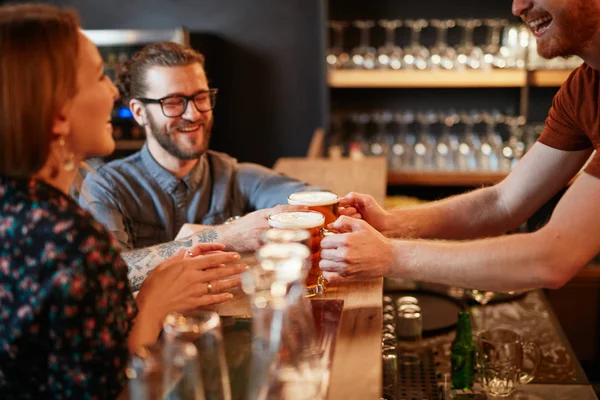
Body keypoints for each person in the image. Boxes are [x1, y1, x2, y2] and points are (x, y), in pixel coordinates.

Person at [0, 4, 246, 398]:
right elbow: (109, 389)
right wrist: (151, 306)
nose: (114, 89)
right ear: (60, 112)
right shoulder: (70, 240)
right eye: (99, 76)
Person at [320, 0, 600, 293]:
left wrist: (390, 255)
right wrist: (391, 224)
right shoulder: (585, 87)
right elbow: (502, 203)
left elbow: (552, 259)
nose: (518, 7)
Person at [79, 41, 319, 290]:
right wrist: (224, 235)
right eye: (173, 102)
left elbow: (312, 202)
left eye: (201, 98)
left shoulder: (234, 175)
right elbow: (107, 277)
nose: (193, 114)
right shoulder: (104, 187)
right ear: (139, 112)